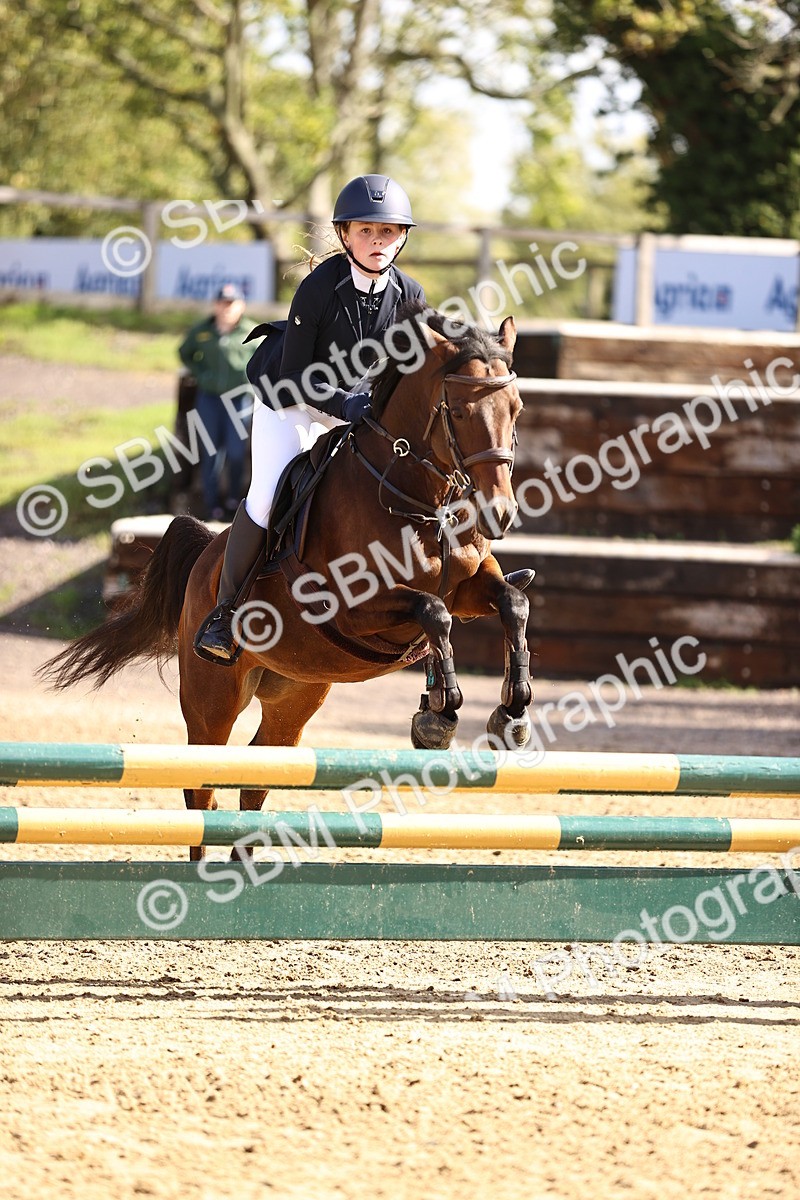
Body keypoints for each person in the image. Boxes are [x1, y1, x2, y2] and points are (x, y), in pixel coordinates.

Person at [194, 174, 425, 662]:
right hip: (291, 402)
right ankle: (226, 613)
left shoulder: (410, 295)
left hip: (356, 409)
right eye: (366, 231)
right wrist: (345, 406)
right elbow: (297, 377)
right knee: (267, 493)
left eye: (387, 232)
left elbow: (414, 372)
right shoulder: (319, 288)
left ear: (403, 237)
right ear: (345, 235)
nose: (377, 242)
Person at [178, 282, 256, 521]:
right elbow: (184, 352)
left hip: (239, 400)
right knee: (210, 451)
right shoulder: (203, 331)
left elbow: (266, 359)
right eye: (223, 303)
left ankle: (234, 498)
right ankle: (212, 505)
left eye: (232, 303)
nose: (226, 308)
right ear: (215, 305)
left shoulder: (251, 333)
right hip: (209, 399)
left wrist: (253, 382)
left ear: (241, 306)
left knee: (235, 451)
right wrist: (201, 374)